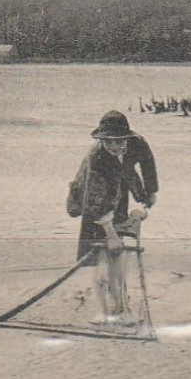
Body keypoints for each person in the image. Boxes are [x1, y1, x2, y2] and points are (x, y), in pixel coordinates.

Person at [67, 111, 151, 326]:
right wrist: (110, 233)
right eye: (108, 141)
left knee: (117, 262)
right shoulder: (96, 161)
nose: (114, 146)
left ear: (126, 139)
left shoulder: (126, 152)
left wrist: (142, 206)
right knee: (102, 263)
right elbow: (94, 203)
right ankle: (103, 312)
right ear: (101, 140)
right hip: (94, 214)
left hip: (117, 208)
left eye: (118, 141)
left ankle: (121, 309)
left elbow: (132, 178)